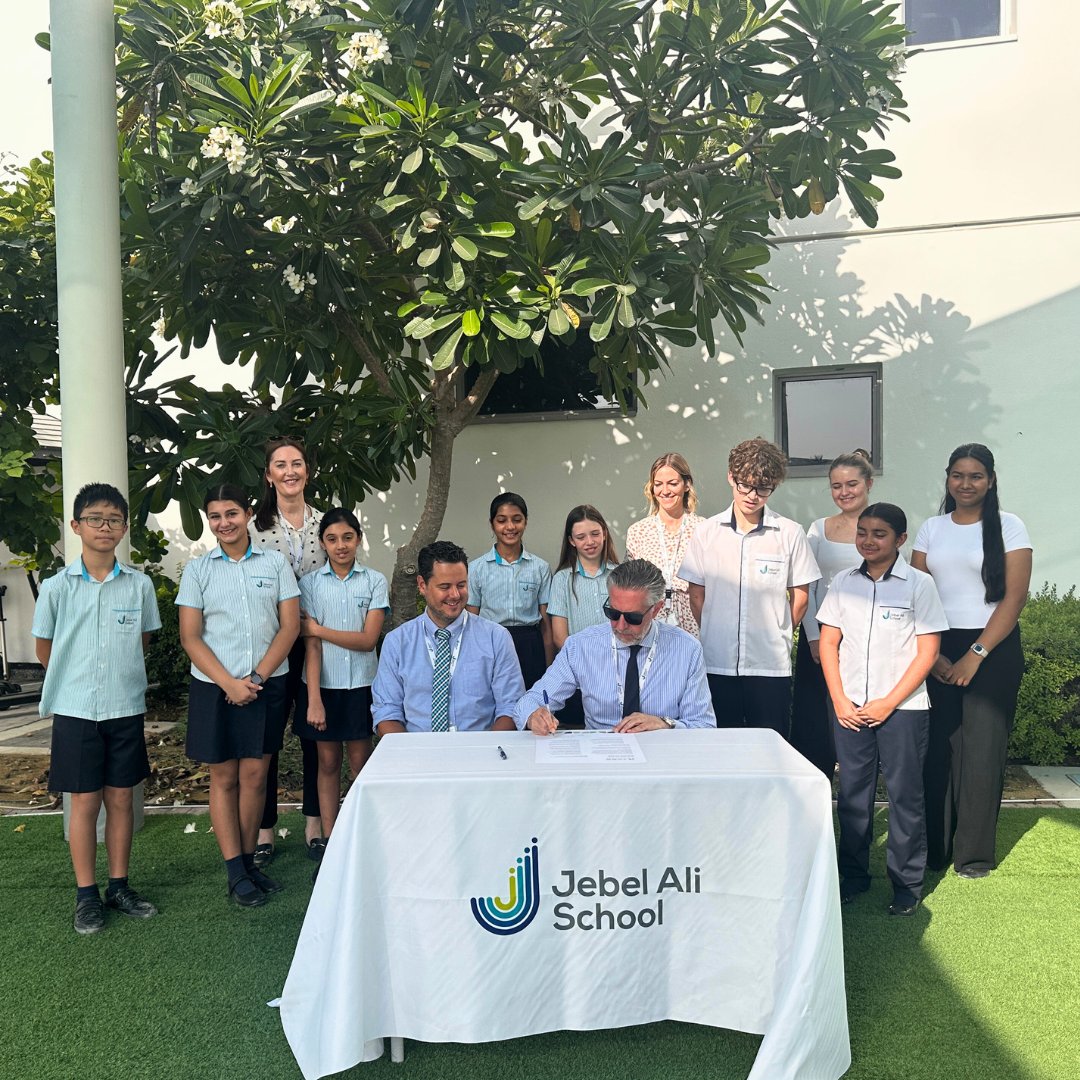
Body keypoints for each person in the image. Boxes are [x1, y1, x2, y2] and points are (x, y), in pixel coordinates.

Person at [32, 483, 162, 935]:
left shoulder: (139, 584)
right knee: (84, 803)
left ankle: (119, 886)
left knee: (121, 799)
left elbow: (142, 641)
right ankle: (86, 895)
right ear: (76, 526)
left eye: (113, 520)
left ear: (124, 528)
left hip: (124, 706)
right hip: (76, 710)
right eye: (95, 519)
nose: (104, 527)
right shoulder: (56, 587)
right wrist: (74, 683)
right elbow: (45, 647)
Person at [817, 503, 948, 916]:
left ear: (900, 540)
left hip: (904, 709)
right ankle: (852, 878)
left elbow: (928, 651)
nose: (868, 541)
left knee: (905, 797)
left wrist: (890, 702)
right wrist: (840, 700)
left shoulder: (919, 584)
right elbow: (828, 643)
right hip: (850, 708)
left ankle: (906, 885)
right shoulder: (842, 581)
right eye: (863, 532)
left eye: (879, 534)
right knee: (853, 796)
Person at [911, 443, 1032, 878]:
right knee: (938, 751)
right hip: (938, 645)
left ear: (991, 480)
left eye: (976, 476)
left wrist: (975, 655)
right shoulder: (930, 528)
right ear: (948, 478)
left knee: (982, 752)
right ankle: (935, 851)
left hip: (993, 649)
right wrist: (938, 654)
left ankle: (974, 855)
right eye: (958, 475)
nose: (966, 483)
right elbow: (917, 594)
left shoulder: (1010, 527)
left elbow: (1014, 596)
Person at [177, 484, 300, 907]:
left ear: (248, 514)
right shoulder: (199, 570)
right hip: (215, 687)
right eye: (214, 516)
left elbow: (289, 627)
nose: (223, 523)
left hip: (267, 685)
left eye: (231, 513)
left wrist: (258, 677)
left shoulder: (275, 562)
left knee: (255, 777)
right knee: (224, 777)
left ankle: (249, 865)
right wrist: (230, 683)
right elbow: (190, 637)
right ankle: (234, 869)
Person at [679, 437, 820, 733]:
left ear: (774, 487)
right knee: (719, 747)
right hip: (716, 663)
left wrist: (778, 630)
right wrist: (716, 627)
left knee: (772, 747)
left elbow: (801, 597)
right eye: (745, 484)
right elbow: (696, 595)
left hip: (769, 665)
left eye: (763, 488)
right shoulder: (706, 533)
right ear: (731, 476)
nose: (753, 495)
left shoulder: (790, 533)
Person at [516, 560, 715, 733]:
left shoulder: (687, 649)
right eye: (613, 613)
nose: (620, 626)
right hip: (600, 756)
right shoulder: (582, 645)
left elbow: (703, 725)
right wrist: (535, 715)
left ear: (656, 609)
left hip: (661, 756)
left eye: (632, 617)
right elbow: (529, 701)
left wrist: (664, 723)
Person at [250, 437, 325, 866]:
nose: (290, 471)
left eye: (297, 463)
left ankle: (314, 823)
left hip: (317, 642)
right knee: (268, 739)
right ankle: (264, 830)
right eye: (281, 465)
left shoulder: (325, 522)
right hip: (270, 645)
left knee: (316, 736)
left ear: (306, 471)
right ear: (269, 474)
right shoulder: (254, 527)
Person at [295, 509, 388, 844]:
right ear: (322, 543)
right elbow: (312, 647)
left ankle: (361, 836)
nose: (341, 546)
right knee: (328, 762)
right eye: (332, 539)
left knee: (361, 763)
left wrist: (318, 628)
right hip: (323, 686)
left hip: (362, 685)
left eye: (348, 537)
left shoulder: (374, 581)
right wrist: (315, 701)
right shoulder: (310, 584)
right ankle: (331, 837)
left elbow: (367, 641)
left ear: (358, 539)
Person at [372, 541, 524, 734]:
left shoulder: (496, 638)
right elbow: (387, 711)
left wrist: (486, 753)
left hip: (479, 753)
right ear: (422, 585)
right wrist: (409, 757)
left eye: (461, 585)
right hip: (418, 755)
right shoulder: (398, 642)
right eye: (444, 586)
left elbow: (510, 706)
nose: (454, 595)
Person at [790, 449, 874, 777]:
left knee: (857, 724)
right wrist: (813, 636)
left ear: (868, 483)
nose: (844, 492)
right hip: (821, 643)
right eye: (836, 486)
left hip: (866, 645)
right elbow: (805, 586)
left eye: (852, 484)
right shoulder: (818, 529)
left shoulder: (883, 527)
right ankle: (816, 797)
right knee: (816, 726)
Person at [466, 492, 553, 689]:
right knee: (494, 703)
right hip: (490, 643)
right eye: (502, 520)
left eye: (517, 520)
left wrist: (549, 667)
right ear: (492, 524)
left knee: (530, 705)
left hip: (530, 644)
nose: (510, 527)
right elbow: (471, 620)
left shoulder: (540, 568)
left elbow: (546, 623)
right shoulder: (476, 568)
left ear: (525, 522)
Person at [546, 505, 621, 728]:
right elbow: (560, 636)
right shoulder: (562, 580)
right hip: (580, 677)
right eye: (581, 536)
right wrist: (591, 664)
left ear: (605, 534)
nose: (589, 542)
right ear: (571, 540)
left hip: (618, 673)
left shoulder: (620, 574)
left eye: (595, 534)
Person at [625, 453, 705, 637]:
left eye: (672, 483)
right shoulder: (638, 531)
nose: (665, 490)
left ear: (686, 485)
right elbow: (631, 586)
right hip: (651, 621)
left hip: (695, 622)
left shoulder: (702, 529)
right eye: (658, 484)